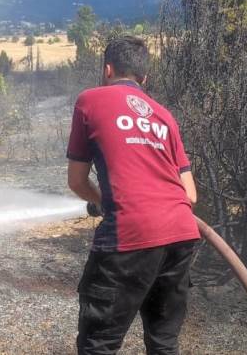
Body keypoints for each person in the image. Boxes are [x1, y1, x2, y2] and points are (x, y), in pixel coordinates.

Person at [66, 35, 200, 355]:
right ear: (145, 78)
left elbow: (77, 181)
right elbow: (190, 195)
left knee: (99, 345)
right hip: (181, 235)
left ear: (107, 69)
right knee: (164, 343)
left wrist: (101, 203)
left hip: (130, 235)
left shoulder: (90, 100)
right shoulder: (164, 116)